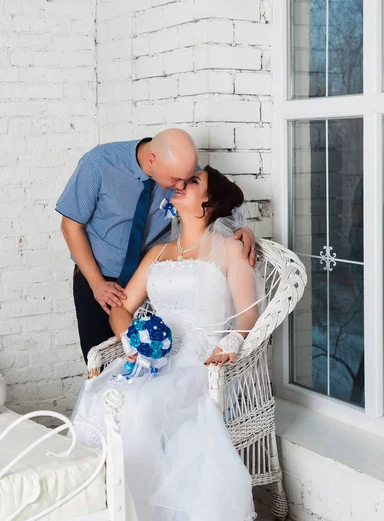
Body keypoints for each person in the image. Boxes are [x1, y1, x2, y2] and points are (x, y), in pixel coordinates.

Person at [72, 166, 264, 521]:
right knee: (103, 394)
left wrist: (233, 342)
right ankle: (105, 502)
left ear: (208, 202)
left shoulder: (231, 248)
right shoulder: (159, 252)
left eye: (192, 182)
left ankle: (141, 510)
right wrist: (131, 338)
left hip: (199, 360)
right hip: (152, 355)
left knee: (142, 406)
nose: (179, 186)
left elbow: (248, 314)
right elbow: (121, 308)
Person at [56, 129, 255, 362]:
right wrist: (97, 283)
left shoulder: (180, 169)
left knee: (158, 355)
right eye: (176, 181)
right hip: (99, 276)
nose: (180, 186)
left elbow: (220, 204)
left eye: (188, 179)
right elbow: (70, 226)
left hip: (155, 274)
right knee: (101, 363)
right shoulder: (98, 164)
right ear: (152, 160)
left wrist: (244, 229)